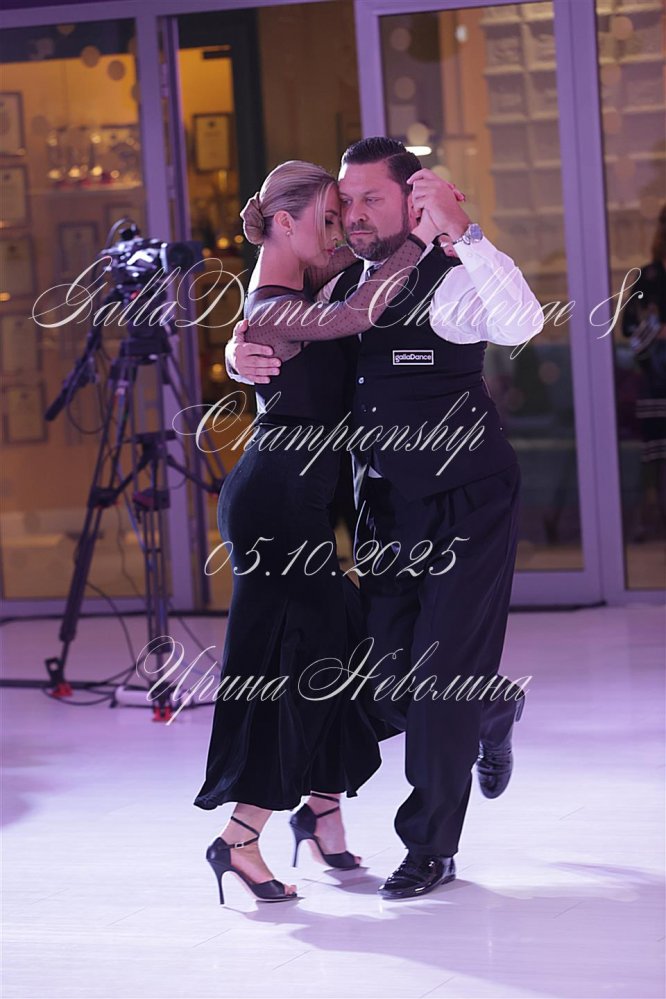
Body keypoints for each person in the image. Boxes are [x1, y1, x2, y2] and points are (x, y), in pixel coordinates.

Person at [227, 138, 544, 901]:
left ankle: (429, 847)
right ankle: (491, 704)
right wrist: (241, 352)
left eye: (373, 198)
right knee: (379, 680)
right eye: (347, 201)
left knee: (441, 682)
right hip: (386, 507)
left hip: (468, 498)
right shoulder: (344, 281)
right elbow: (279, 320)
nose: (356, 213)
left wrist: (466, 233)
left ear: (413, 198)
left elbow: (522, 321)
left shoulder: (452, 276)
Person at [193, 158, 441, 905]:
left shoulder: (301, 288)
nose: (339, 232)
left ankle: (321, 811)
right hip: (273, 505)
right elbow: (358, 311)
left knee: (343, 651)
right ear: (285, 222)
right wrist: (419, 241)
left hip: (301, 501)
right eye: (328, 219)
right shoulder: (271, 307)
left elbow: (358, 273)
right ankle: (239, 836)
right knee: (293, 667)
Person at [621, 205, 666, 540]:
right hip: (655, 378)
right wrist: (655, 332)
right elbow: (627, 327)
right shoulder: (646, 277)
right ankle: (656, 520)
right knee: (657, 456)